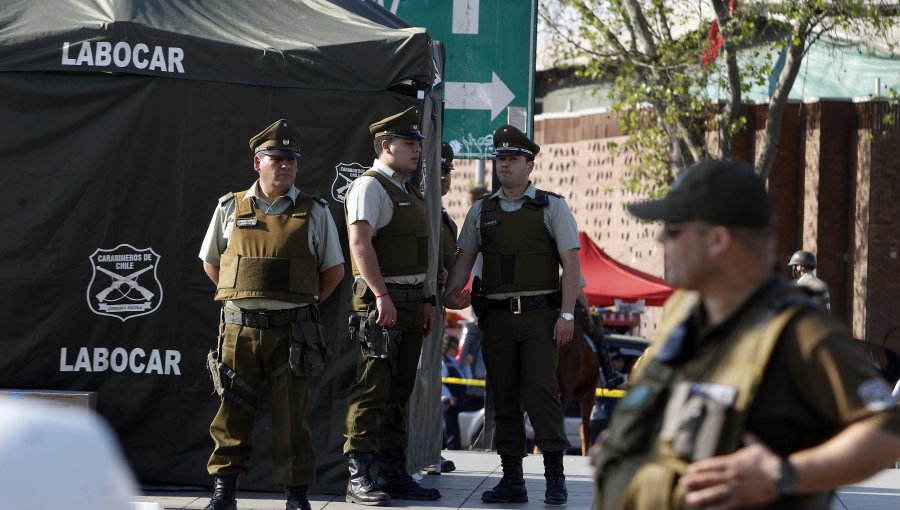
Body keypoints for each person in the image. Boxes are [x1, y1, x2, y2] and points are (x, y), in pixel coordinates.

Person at [593, 159, 900, 510]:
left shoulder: (799, 331)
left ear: (718, 240)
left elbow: (887, 433)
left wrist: (784, 474)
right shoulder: (683, 311)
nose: (660, 237)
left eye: (674, 229)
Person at [198, 119, 345, 510]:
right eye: (277, 159)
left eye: (292, 160)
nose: (286, 166)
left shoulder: (314, 210)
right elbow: (212, 262)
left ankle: (296, 496)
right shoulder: (230, 207)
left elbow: (334, 271)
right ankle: (224, 492)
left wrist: (303, 303)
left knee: (292, 419)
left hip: (292, 333)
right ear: (257, 163)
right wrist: (238, 298)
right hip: (239, 330)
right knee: (230, 413)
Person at [444, 124, 581, 505]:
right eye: (500, 159)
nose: (504, 165)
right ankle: (512, 481)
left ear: (529, 165)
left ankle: (555, 478)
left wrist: (566, 316)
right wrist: (445, 296)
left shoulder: (552, 207)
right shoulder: (480, 210)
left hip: (540, 317)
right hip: (497, 318)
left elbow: (571, 266)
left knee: (540, 393)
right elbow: (464, 262)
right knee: (502, 398)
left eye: (512, 159)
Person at [342, 106, 440, 506]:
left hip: (414, 301)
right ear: (386, 146)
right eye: (409, 143)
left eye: (418, 142)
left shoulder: (407, 189)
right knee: (372, 389)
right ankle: (358, 475)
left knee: (400, 391)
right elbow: (360, 244)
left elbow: (422, 253)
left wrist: (429, 298)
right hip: (384, 304)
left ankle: (394, 472)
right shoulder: (370, 187)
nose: (417, 149)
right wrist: (381, 296)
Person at [441, 335, 468, 450]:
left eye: (457, 347)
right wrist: (449, 396)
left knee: (454, 428)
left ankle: (453, 448)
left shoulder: (455, 362)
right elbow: (441, 381)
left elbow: (467, 379)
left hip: (456, 400)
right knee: (450, 428)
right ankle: (451, 449)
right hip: (449, 401)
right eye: (453, 347)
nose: (456, 349)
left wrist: (466, 365)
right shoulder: (444, 362)